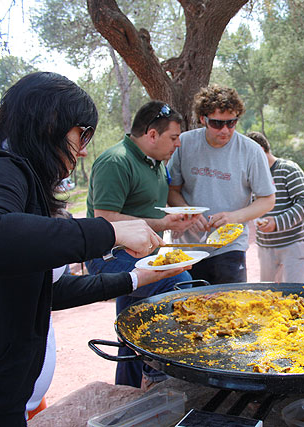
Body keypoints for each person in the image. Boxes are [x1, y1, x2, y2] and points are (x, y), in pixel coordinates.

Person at [0, 72, 190, 426]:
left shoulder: (25, 185)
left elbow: (47, 291)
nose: (82, 150)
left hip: (1, 396)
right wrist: (108, 232)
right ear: (49, 124)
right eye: (81, 134)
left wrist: (135, 279)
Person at [85, 101, 200, 388]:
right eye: (173, 138)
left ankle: (127, 391)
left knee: (132, 325)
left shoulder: (157, 163)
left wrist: (184, 214)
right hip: (111, 258)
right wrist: (163, 225)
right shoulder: (116, 161)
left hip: (145, 254)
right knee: (181, 283)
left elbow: (159, 205)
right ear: (151, 134)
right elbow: (106, 219)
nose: (177, 145)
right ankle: (161, 377)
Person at [168, 85, 275, 284]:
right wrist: (188, 211)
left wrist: (234, 217)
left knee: (230, 308)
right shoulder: (184, 143)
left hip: (230, 246)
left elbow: (267, 200)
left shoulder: (251, 151)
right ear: (203, 119)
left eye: (231, 123)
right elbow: (171, 190)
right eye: (217, 123)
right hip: (188, 248)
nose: (225, 130)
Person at [247, 131, 304, 283]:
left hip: (292, 245)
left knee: (294, 295)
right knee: (269, 297)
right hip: (265, 247)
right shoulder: (252, 176)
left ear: (260, 150)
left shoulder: (288, 169)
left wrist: (277, 222)